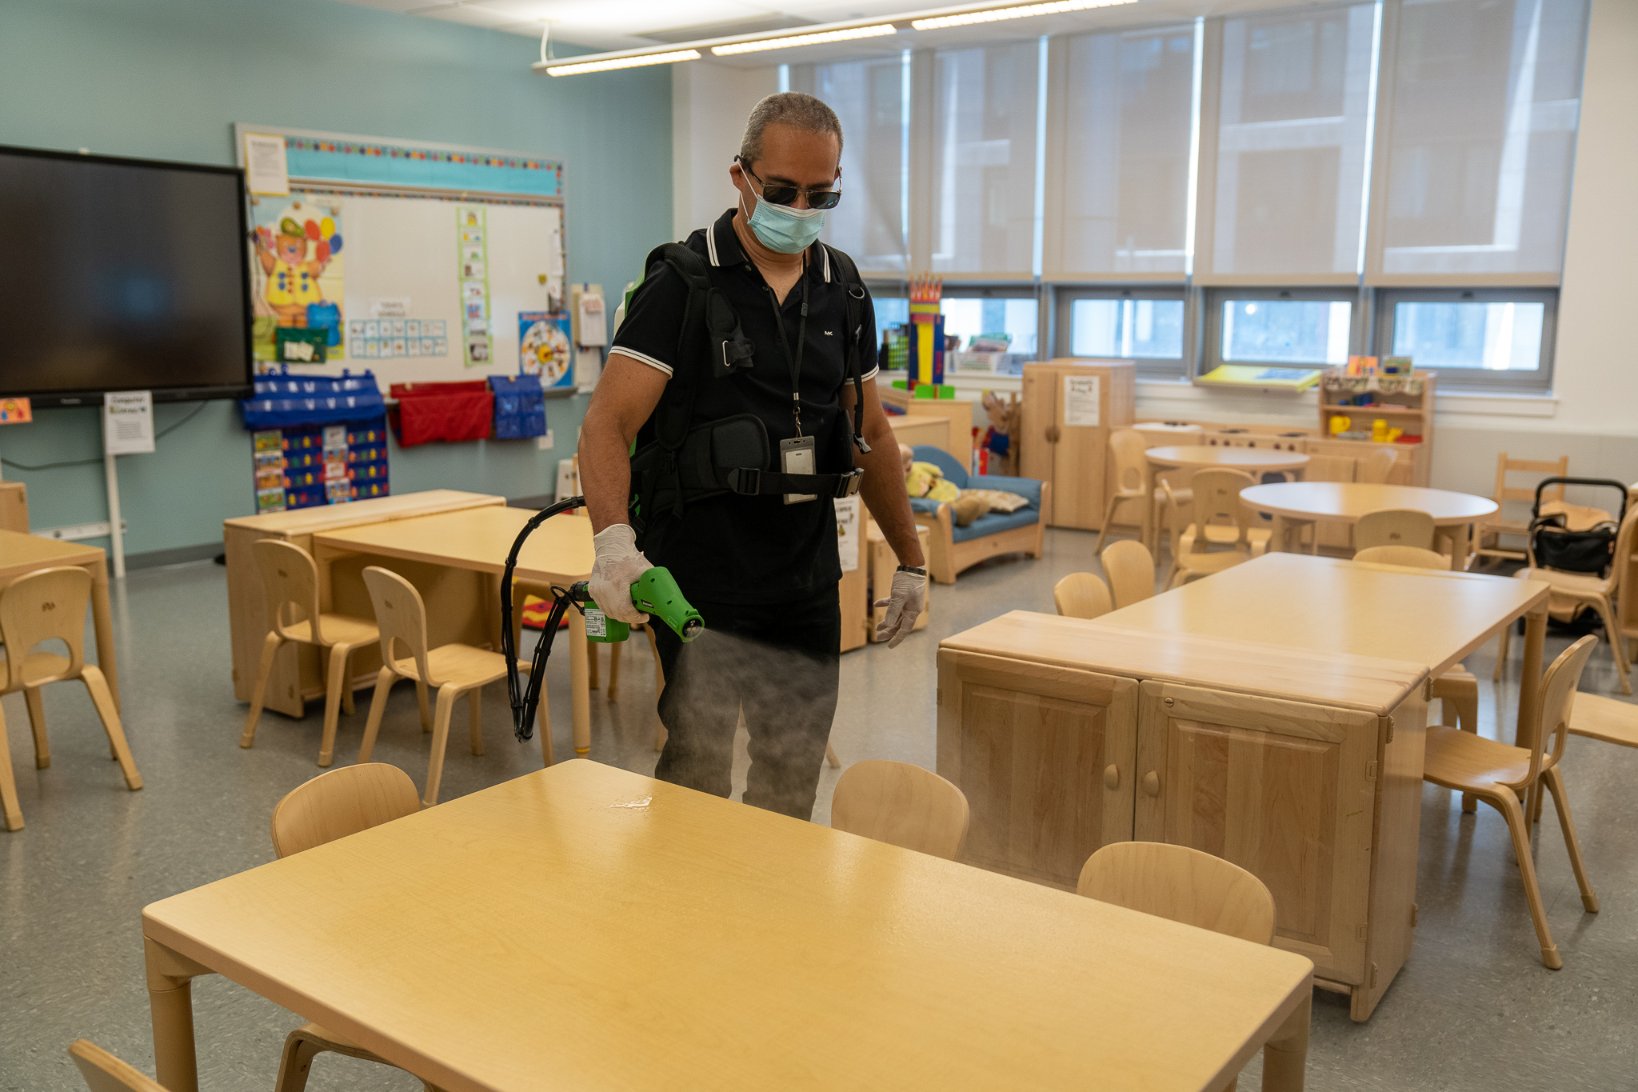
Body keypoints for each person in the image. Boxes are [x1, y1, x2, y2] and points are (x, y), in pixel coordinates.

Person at [577, 93, 926, 821]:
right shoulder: (683, 284)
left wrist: (912, 560)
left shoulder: (844, 288)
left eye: (821, 193)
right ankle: (684, 920)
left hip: (804, 578)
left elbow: (875, 437)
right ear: (740, 176)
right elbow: (606, 424)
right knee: (699, 768)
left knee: (792, 772)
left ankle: (773, 924)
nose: (802, 208)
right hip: (701, 578)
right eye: (783, 191)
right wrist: (614, 545)